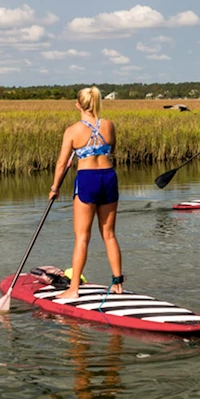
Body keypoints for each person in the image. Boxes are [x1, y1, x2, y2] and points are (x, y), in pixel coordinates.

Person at [49, 86, 123, 299]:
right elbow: (112, 148)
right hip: (109, 178)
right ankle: (117, 283)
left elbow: (62, 163)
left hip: (88, 179)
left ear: (78, 104)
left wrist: (55, 188)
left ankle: (73, 289)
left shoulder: (72, 131)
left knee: (82, 237)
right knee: (109, 235)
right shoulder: (109, 125)